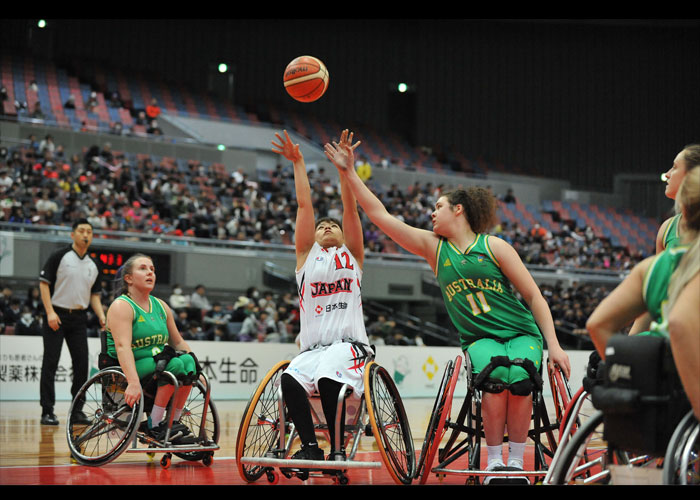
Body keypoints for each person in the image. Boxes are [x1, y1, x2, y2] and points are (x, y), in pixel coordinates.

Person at [328, 134, 570, 480]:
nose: (431, 212)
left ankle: (515, 463)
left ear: (458, 210)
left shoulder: (494, 246)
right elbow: (379, 215)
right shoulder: (433, 247)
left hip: (521, 332)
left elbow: (534, 297)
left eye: (438, 207)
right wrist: (349, 172)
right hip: (479, 337)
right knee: (494, 378)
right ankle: (493, 462)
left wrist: (555, 345)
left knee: (520, 380)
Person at [271, 129, 373, 463]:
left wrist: (346, 171)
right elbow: (304, 204)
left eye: (333, 226)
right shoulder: (306, 257)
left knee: (329, 373)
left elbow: (350, 210)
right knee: (289, 377)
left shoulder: (352, 256)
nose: (327, 227)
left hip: (350, 347)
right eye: (321, 227)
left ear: (343, 236)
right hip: (313, 349)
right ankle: (311, 447)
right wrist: (298, 162)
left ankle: (338, 449)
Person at [587, 166, 699, 366]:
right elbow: (653, 302)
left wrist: (622, 363)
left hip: (668, 348)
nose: (667, 173)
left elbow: (597, 325)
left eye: (675, 167)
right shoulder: (666, 229)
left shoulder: (652, 267)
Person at [104, 253, 201, 443]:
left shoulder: (161, 306)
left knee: (188, 361)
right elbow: (123, 347)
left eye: (152, 269)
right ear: (128, 278)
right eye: (143, 268)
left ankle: (172, 423)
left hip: (158, 363)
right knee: (173, 364)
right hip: (129, 365)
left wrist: (197, 370)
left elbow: (179, 342)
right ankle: (154, 425)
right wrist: (132, 382)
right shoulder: (121, 306)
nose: (150, 272)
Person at [38, 219, 106, 426]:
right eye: (81, 231)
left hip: (78, 318)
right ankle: (47, 411)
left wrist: (102, 316)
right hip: (56, 315)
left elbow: (94, 295)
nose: (85, 235)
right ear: (73, 234)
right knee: (50, 363)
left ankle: (77, 411)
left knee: (81, 365)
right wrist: (50, 312)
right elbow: (43, 284)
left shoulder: (94, 265)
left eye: (89, 232)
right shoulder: (59, 256)